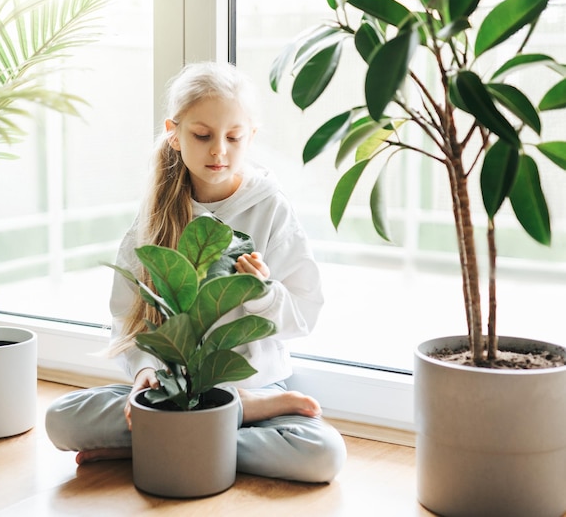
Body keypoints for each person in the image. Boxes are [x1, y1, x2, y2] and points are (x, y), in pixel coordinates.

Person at [45, 61, 347, 483]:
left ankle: (172, 439)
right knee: (60, 420)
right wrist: (145, 372)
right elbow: (127, 317)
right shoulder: (155, 213)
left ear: (251, 137)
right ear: (174, 132)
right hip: (172, 393)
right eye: (202, 135)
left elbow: (304, 315)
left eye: (233, 137)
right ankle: (195, 438)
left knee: (322, 455)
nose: (218, 150)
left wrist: (262, 292)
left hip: (258, 391)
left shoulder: (272, 209)